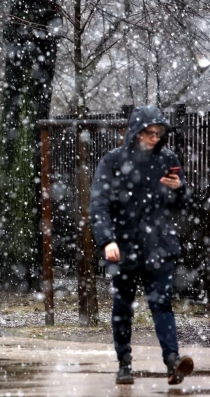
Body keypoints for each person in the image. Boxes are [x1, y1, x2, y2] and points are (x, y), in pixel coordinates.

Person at [90, 106, 193, 386]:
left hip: (158, 246)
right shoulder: (113, 161)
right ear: (136, 132)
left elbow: (184, 205)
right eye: (150, 133)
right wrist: (107, 239)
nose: (155, 138)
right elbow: (99, 204)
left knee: (162, 305)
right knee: (123, 308)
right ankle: (124, 363)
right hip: (123, 247)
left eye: (159, 134)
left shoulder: (167, 159)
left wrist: (179, 189)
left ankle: (172, 360)